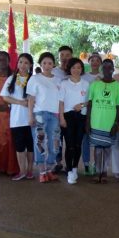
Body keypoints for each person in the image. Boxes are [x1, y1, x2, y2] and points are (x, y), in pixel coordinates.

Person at [86, 59, 119, 184]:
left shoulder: (118, 86)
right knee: (97, 148)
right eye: (105, 67)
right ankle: (97, 172)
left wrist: (116, 124)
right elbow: (90, 104)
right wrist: (87, 122)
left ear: (113, 69)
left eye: (110, 67)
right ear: (102, 70)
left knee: (107, 148)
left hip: (110, 123)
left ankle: (105, 172)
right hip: (96, 122)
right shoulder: (95, 85)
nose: (107, 69)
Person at [27, 52, 61, 183]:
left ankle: (50, 170)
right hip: (39, 114)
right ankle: (42, 171)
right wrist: (30, 116)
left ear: (54, 64)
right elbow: (31, 99)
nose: (47, 66)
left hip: (54, 115)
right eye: (44, 63)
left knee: (54, 143)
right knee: (39, 142)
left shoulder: (58, 80)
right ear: (40, 64)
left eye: (50, 63)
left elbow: (61, 99)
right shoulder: (35, 79)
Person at [0, 53, 35, 180]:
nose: (23, 65)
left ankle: (30, 170)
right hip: (16, 120)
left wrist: (31, 103)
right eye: (20, 62)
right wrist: (20, 102)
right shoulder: (11, 79)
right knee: (20, 147)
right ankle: (22, 171)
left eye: (26, 62)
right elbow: (4, 96)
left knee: (31, 146)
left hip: (32, 118)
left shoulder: (34, 79)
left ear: (30, 65)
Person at [59, 58, 89, 184]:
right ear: (69, 69)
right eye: (73, 68)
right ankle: (69, 170)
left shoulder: (86, 84)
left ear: (82, 69)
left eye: (78, 67)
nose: (76, 70)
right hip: (68, 117)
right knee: (69, 145)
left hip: (81, 117)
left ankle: (75, 168)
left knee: (78, 145)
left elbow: (90, 101)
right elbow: (60, 102)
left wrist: (82, 105)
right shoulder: (64, 84)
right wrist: (61, 118)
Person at [52, 45, 73, 174]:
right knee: (57, 138)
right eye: (62, 55)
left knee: (70, 139)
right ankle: (57, 163)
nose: (65, 58)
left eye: (67, 55)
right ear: (58, 57)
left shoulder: (75, 71)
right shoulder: (53, 72)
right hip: (56, 111)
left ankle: (69, 165)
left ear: (72, 56)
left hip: (70, 111)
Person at [82, 52, 102, 175]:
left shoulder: (104, 76)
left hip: (99, 112)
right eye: (92, 60)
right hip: (85, 110)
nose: (94, 62)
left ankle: (96, 164)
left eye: (97, 60)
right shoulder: (83, 76)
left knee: (97, 139)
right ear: (89, 62)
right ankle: (86, 164)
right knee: (86, 138)